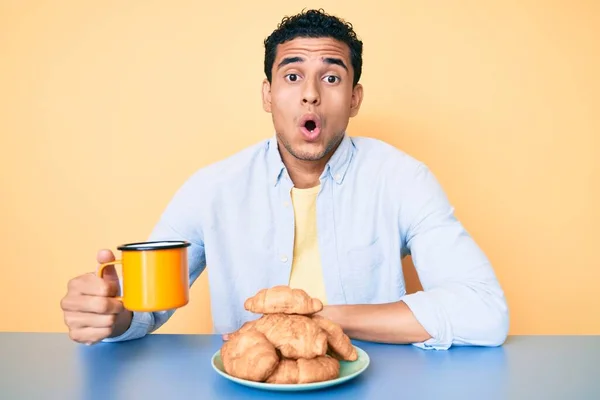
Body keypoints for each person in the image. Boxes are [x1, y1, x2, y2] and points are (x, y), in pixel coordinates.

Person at [60, 9, 508, 350]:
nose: (311, 93)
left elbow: (485, 310)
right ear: (268, 94)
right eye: (292, 76)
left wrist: (317, 318)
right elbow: (147, 304)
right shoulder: (212, 188)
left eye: (331, 77)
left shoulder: (402, 179)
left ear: (354, 98)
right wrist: (113, 316)